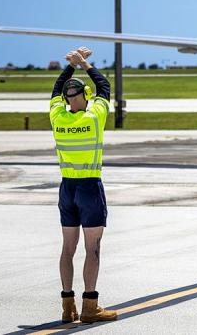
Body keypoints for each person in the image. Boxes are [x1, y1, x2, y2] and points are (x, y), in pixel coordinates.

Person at [50, 47, 117, 323]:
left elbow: (55, 91)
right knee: (93, 249)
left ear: (66, 99)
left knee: (68, 249)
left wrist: (70, 66)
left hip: (67, 188)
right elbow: (104, 86)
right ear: (85, 97)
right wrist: (83, 64)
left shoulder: (57, 116)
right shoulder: (94, 117)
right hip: (89, 188)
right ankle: (90, 306)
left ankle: (68, 306)